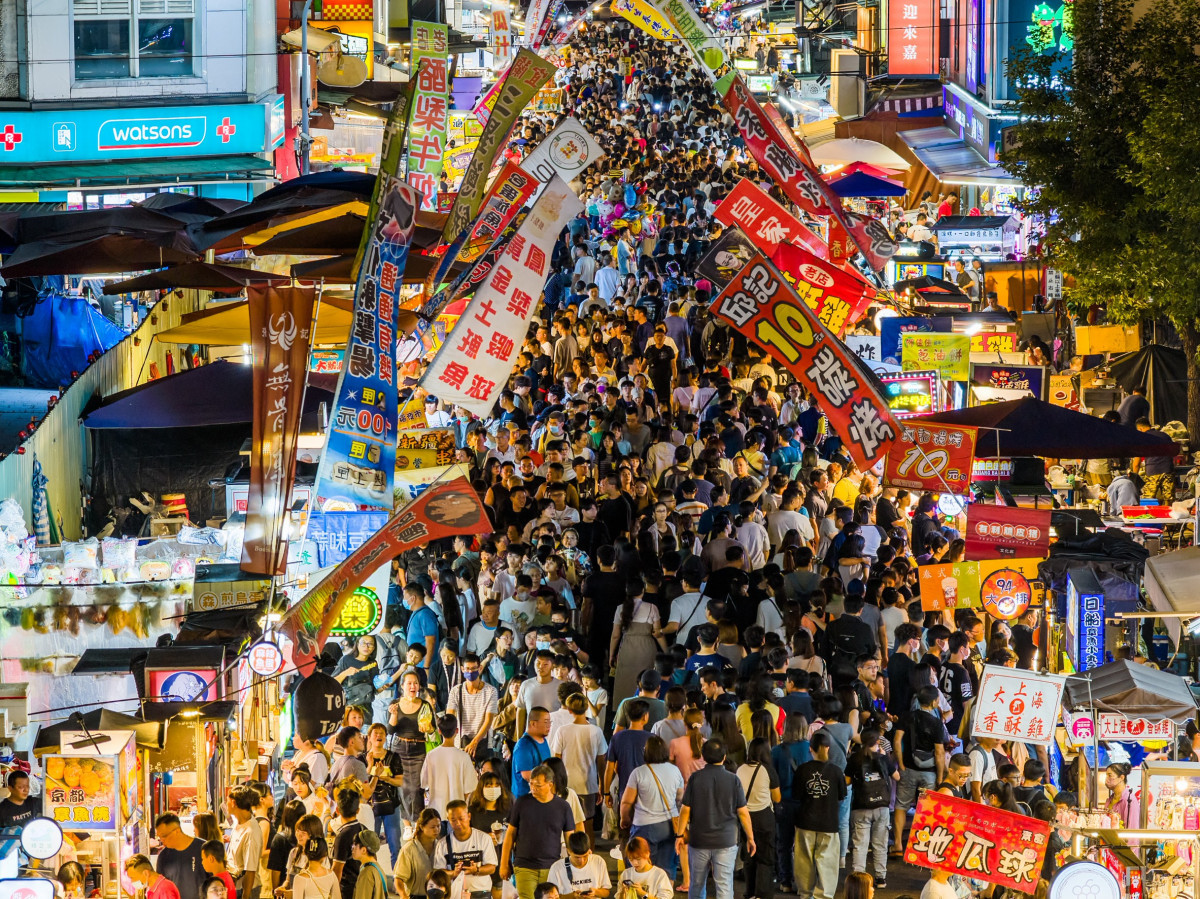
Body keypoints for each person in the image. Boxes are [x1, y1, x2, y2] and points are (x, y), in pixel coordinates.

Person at [676, 739, 756, 899]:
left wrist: (679, 835)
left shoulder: (695, 778)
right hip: (726, 841)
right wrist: (750, 838)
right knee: (724, 886)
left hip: (699, 841)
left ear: (703, 756)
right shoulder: (734, 780)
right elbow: (743, 812)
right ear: (724, 757)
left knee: (697, 885)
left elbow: (685, 810)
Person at [500, 764, 577, 899]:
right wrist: (504, 864)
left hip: (552, 866)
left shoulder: (563, 807)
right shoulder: (522, 803)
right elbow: (510, 834)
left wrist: (577, 860)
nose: (533, 788)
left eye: (538, 785)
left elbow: (570, 838)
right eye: (531, 784)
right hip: (524, 865)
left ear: (550, 784)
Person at [620, 735, 685, 877]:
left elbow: (626, 802)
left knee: (640, 866)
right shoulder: (675, 770)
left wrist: (624, 819)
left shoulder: (639, 772)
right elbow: (680, 797)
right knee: (667, 869)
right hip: (670, 825)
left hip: (644, 827)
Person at [791, 731, 845, 899]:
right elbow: (841, 796)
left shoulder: (802, 770)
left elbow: (796, 796)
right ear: (828, 748)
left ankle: (806, 894)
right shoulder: (836, 771)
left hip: (805, 822)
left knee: (804, 862)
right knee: (827, 863)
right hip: (829, 823)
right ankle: (824, 896)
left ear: (810, 749)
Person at [736, 738, 781, 899]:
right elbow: (777, 797)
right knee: (765, 857)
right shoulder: (768, 770)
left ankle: (749, 892)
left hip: (745, 817)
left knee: (749, 855)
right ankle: (762, 894)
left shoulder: (740, 769)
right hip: (764, 817)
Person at [433, 800, 498, 899]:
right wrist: (454, 873)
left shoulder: (483, 838)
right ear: (448, 820)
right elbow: (438, 872)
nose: (458, 823)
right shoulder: (442, 844)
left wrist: (476, 870)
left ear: (469, 816)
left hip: (481, 892)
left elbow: (492, 868)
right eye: (453, 820)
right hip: (455, 893)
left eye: (461, 819)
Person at [421, 715, 480, 816]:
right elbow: (470, 789)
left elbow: (424, 783)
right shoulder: (464, 757)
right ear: (457, 731)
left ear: (439, 731)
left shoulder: (431, 755)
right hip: (457, 813)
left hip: (436, 811)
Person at [155, 812, 207, 899]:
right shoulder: (163, 856)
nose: (162, 840)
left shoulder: (203, 848)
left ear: (177, 831)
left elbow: (216, 882)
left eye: (164, 836)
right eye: (159, 837)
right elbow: (161, 888)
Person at [547, 832, 612, 899]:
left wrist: (596, 892)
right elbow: (549, 897)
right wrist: (572, 896)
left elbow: (606, 892)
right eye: (577, 857)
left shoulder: (598, 861)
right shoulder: (556, 868)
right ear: (568, 851)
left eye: (585, 856)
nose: (581, 861)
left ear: (589, 850)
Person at [394, 809, 442, 899]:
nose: (436, 830)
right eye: (432, 827)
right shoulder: (409, 849)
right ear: (422, 827)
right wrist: (403, 895)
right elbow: (399, 878)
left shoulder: (441, 846)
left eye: (438, 826)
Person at [227, 786, 264, 899]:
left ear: (233, 803)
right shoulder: (238, 822)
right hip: (235, 885)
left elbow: (250, 870)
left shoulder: (251, 832)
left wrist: (245, 896)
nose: (226, 804)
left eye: (227, 800)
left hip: (245, 889)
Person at [350, 831, 388, 899]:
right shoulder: (376, 867)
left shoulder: (366, 873)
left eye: (355, 845)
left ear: (364, 850)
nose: (352, 848)